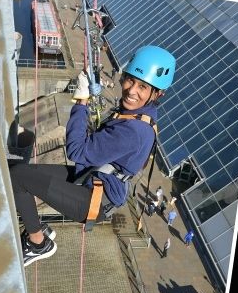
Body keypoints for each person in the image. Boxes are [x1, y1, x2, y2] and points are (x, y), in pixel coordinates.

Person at [9, 45, 177, 266]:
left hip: (93, 201)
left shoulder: (134, 130)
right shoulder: (138, 116)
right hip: (92, 179)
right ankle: (39, 229)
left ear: (158, 94)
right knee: (22, 173)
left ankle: (38, 243)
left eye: (143, 87)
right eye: (130, 80)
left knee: (18, 177)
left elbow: (76, 151)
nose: (131, 90)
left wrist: (81, 102)